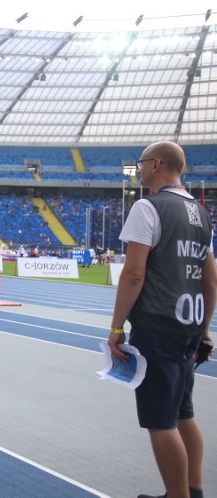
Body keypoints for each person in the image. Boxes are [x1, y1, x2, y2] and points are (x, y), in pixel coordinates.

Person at [107, 142, 216, 498]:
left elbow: (133, 274)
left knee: (161, 421)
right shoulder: (202, 214)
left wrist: (116, 327)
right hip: (189, 328)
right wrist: (205, 329)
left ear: (156, 164)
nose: (138, 170)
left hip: (158, 325)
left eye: (141, 164)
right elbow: (210, 278)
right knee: (184, 413)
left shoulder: (148, 206)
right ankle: (192, 491)